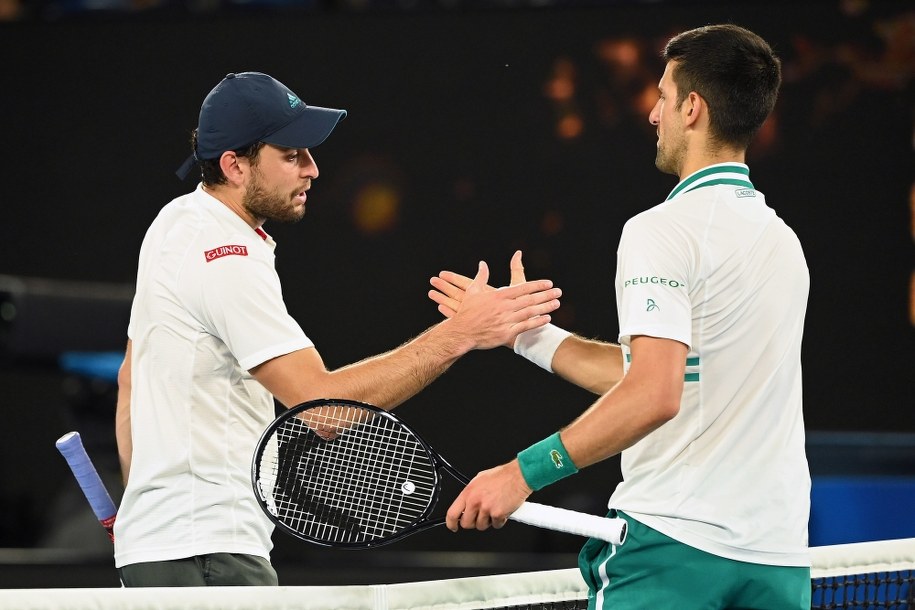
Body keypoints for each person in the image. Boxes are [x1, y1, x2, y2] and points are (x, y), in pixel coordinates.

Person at [113, 71, 562, 587]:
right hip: (209, 552)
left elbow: (131, 380)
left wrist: (143, 519)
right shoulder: (225, 255)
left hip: (166, 547)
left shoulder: (175, 224)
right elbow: (320, 410)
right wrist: (460, 333)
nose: (313, 169)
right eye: (291, 155)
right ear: (235, 166)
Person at [429, 25, 811, 610]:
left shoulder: (660, 230)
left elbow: (655, 394)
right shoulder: (784, 243)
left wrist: (520, 474)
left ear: (692, 107)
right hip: (776, 557)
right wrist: (527, 335)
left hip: (675, 550)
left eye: (662, 97)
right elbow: (673, 376)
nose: (653, 115)